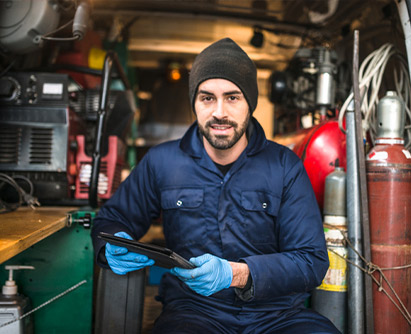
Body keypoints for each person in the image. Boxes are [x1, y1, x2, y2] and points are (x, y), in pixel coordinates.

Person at [91, 37, 340, 334]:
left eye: (233, 98)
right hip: (194, 313)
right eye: (207, 97)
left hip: (278, 315)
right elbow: (111, 220)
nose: (219, 112)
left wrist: (238, 274)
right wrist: (110, 246)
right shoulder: (162, 162)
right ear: (194, 103)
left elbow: (311, 261)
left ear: (250, 104)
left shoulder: (285, 166)